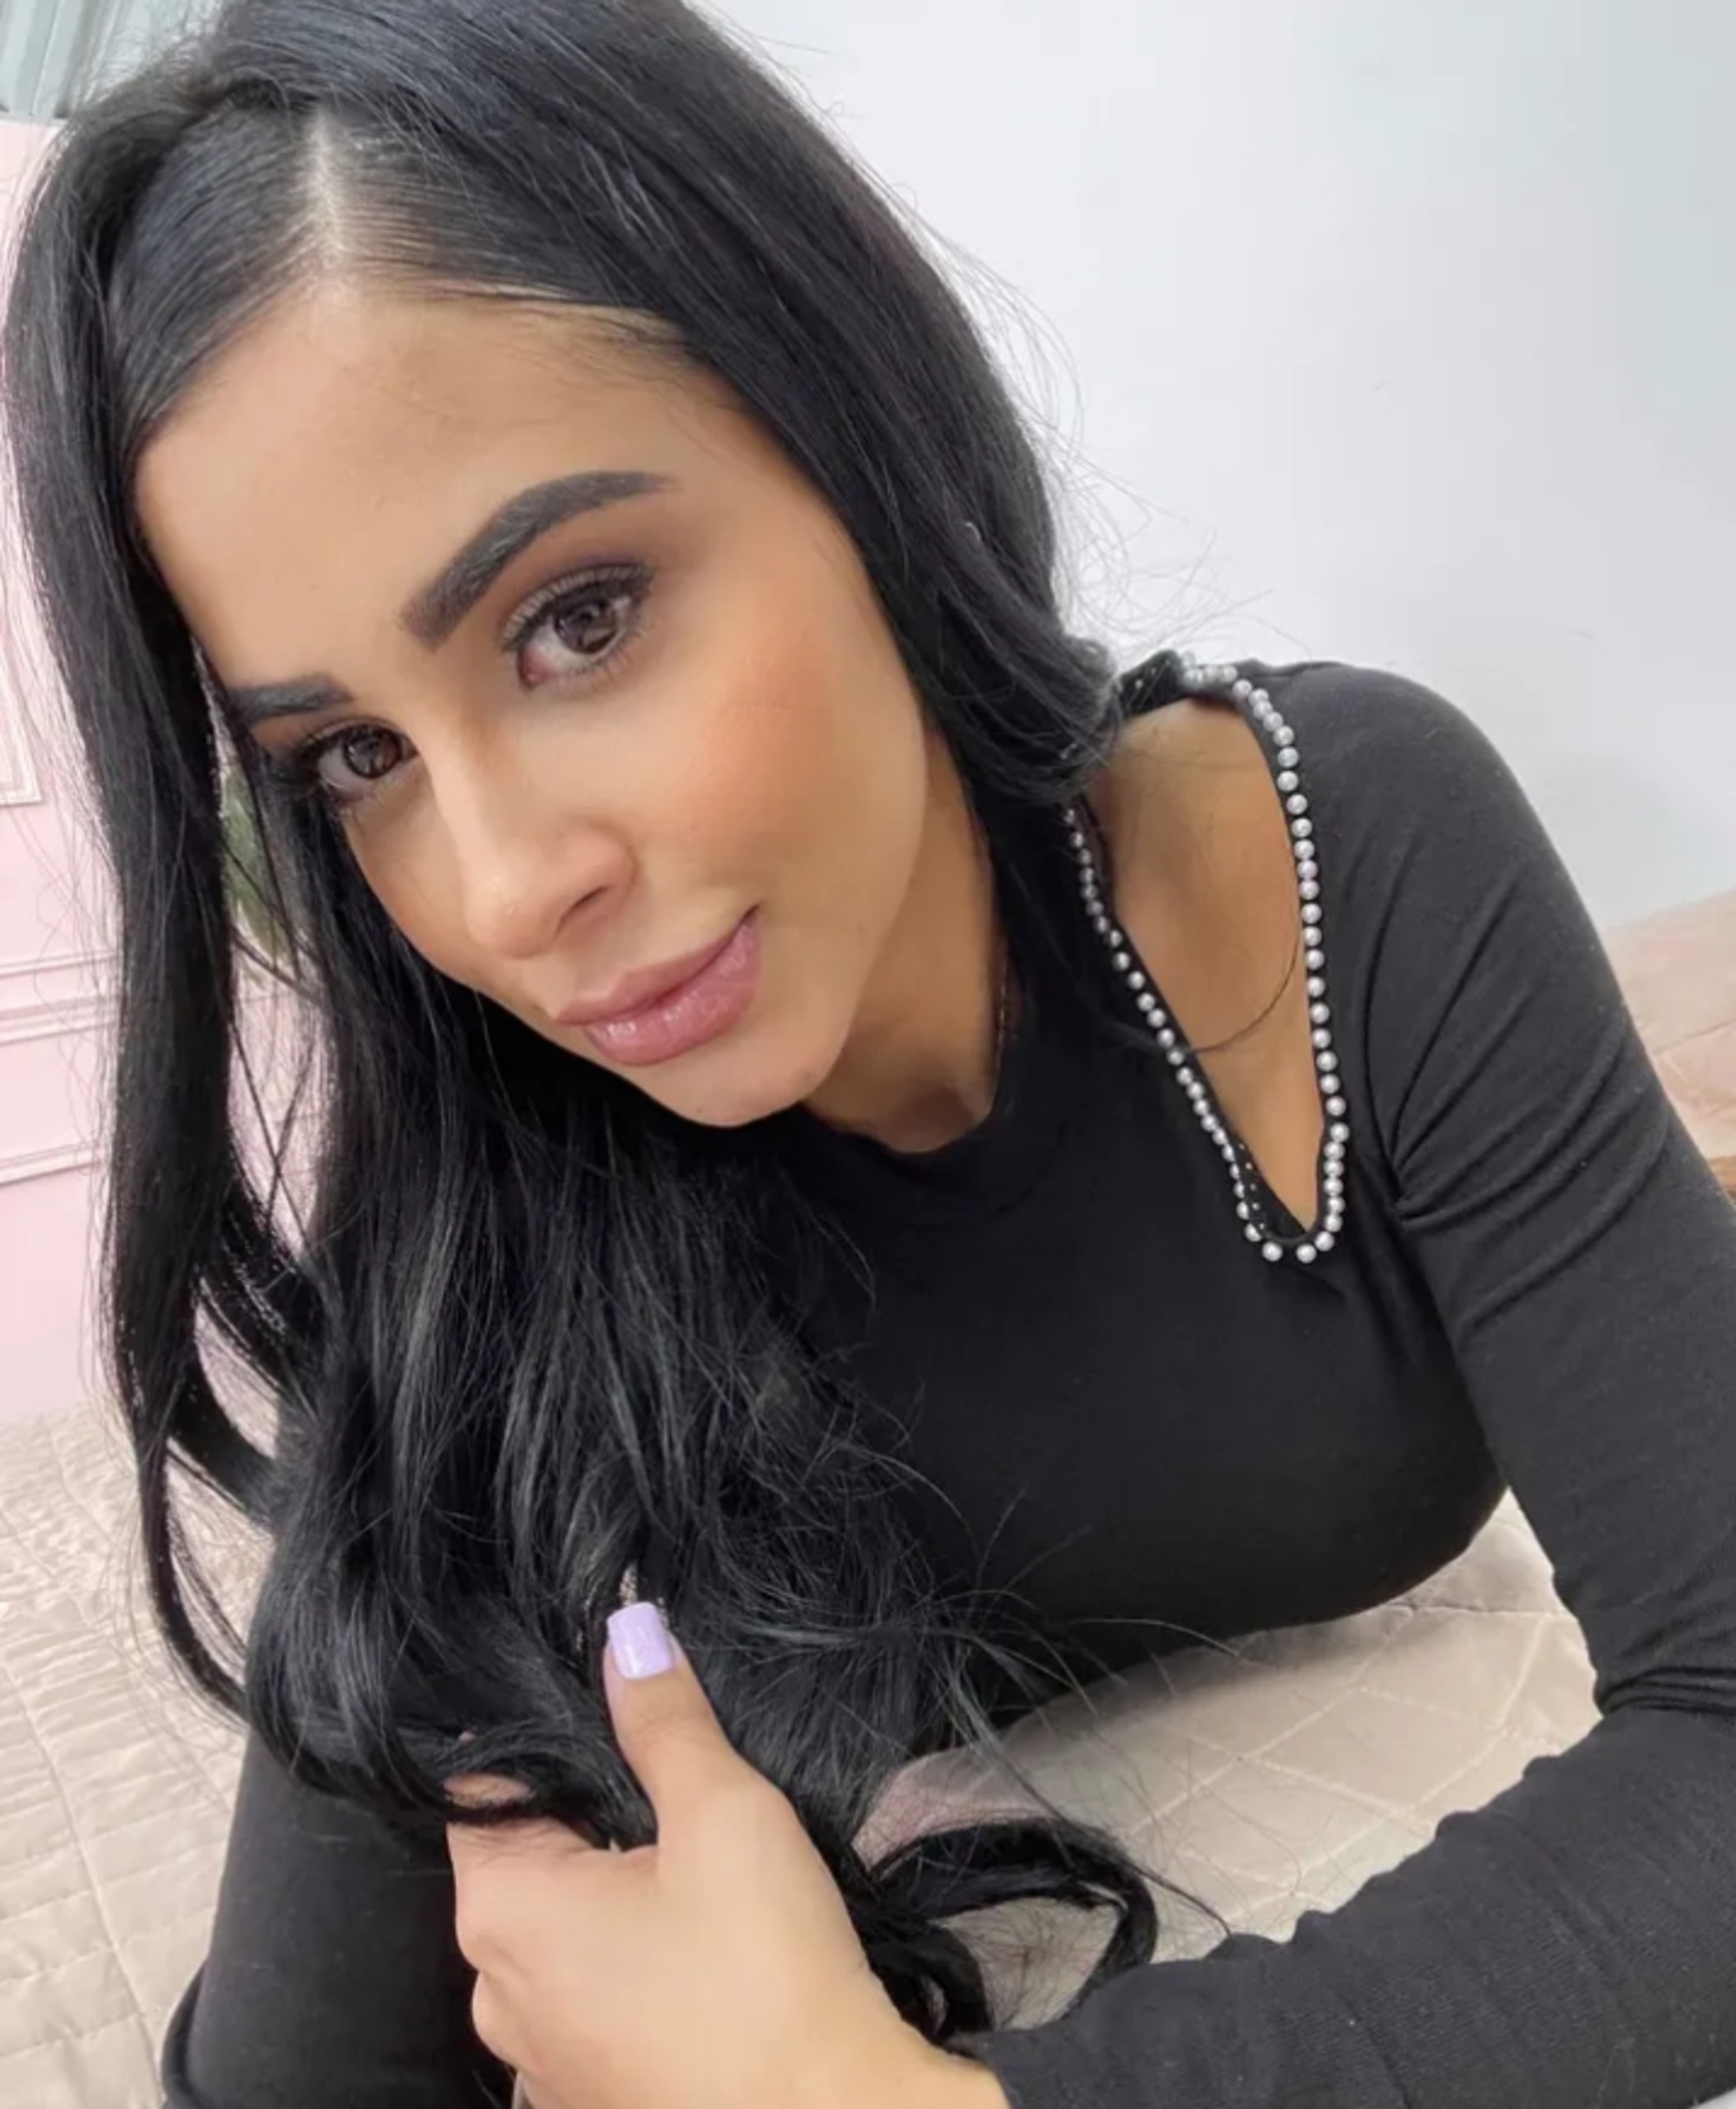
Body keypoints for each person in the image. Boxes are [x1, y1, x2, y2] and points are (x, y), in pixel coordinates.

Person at [2, 1, 1733, 2105]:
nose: (504, 889)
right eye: (355, 756)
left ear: (855, 438)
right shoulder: (490, 1222)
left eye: (578, 617)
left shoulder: (1327, 852)